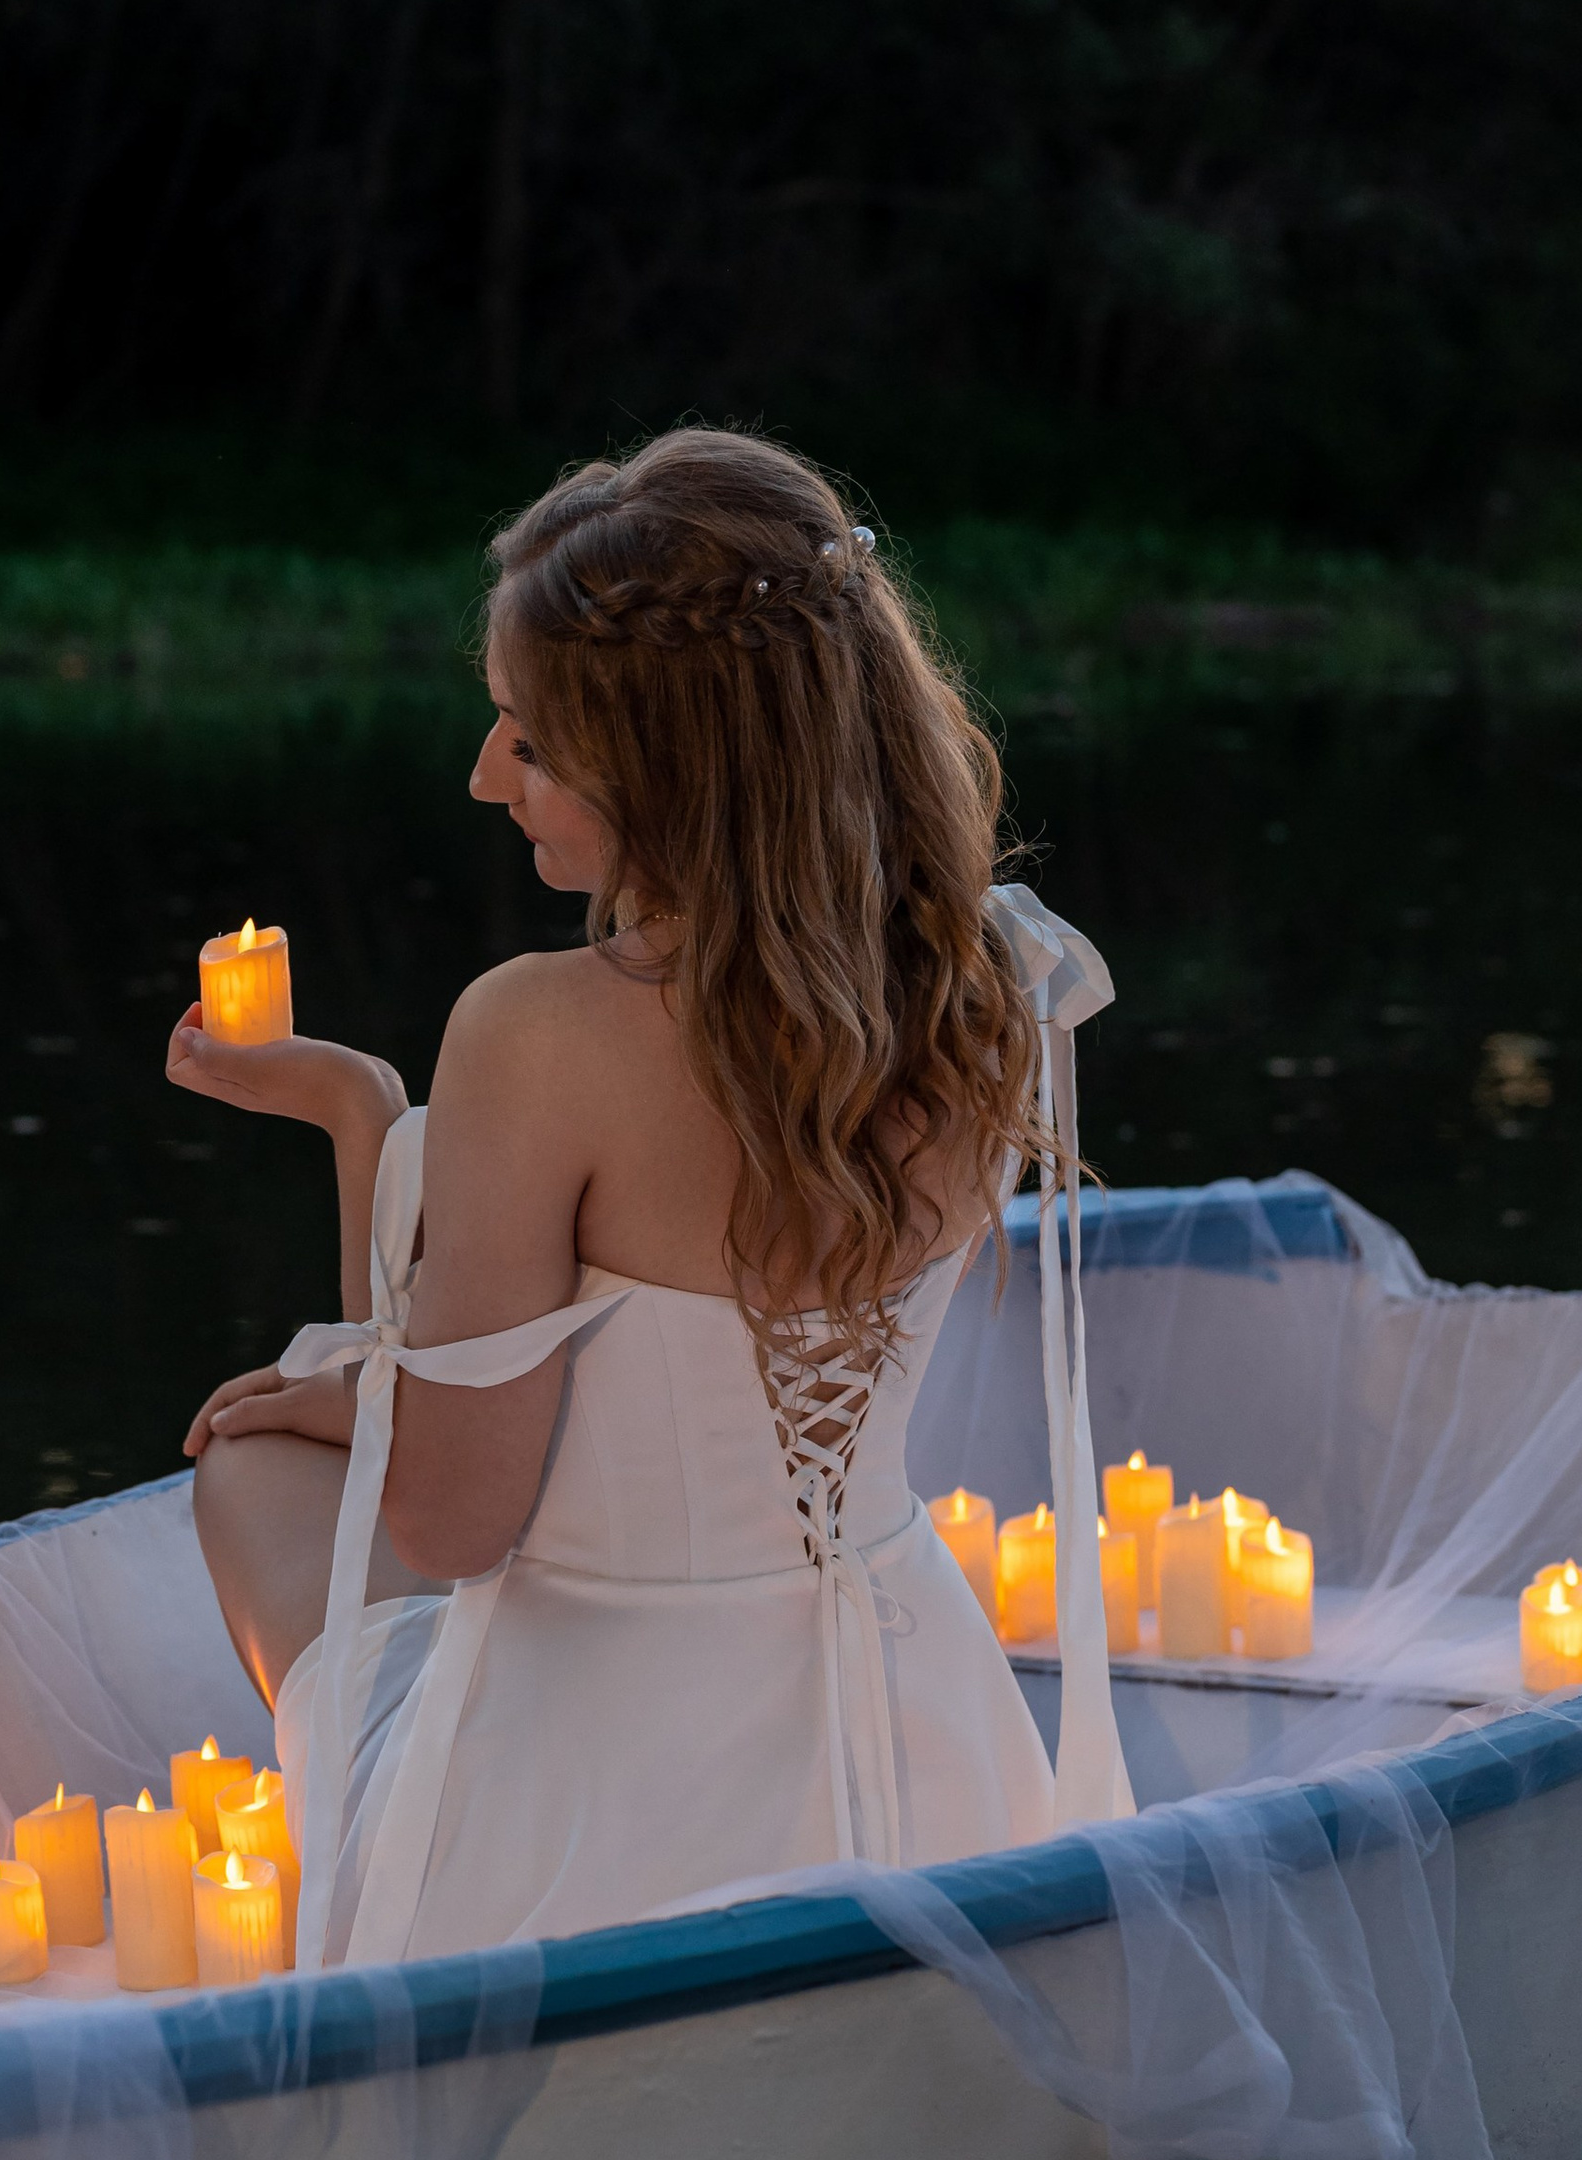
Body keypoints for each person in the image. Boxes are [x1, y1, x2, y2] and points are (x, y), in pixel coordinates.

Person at [164, 428, 1090, 1970]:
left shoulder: (544, 1033)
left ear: (670, 761)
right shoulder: (989, 982)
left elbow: (458, 1519)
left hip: (597, 1789)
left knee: (247, 1478)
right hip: (924, 1737)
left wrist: (338, 1378)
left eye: (526, 740)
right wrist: (367, 1116)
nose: (483, 777)